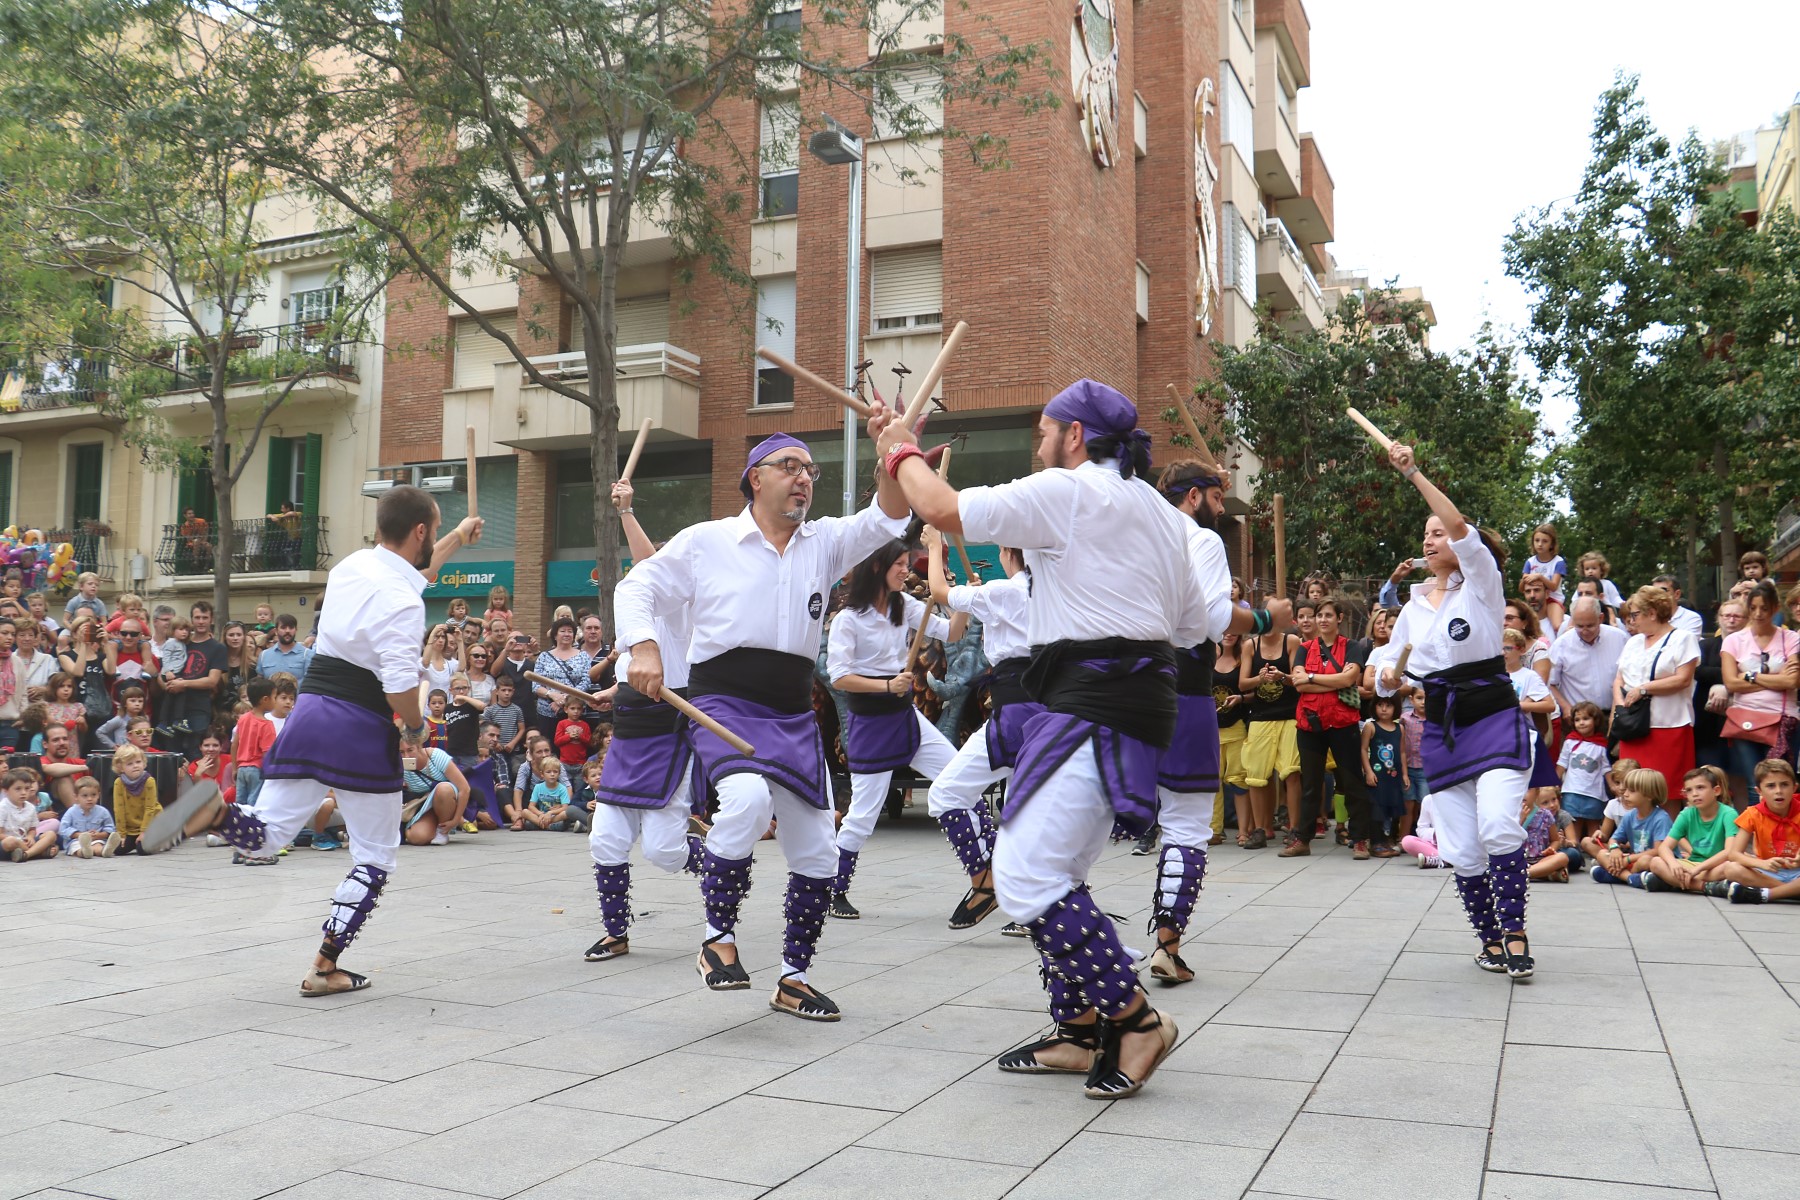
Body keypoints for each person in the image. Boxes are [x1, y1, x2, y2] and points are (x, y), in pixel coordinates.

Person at [877, 379, 1227, 1099]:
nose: (1037, 443)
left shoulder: (1070, 491)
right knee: (1058, 868)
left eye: (1043, 430)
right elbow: (1196, 626)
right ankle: (1078, 1026)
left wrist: (899, 450)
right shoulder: (1161, 514)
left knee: (1025, 874)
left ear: (1074, 435)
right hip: (1133, 697)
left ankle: (1134, 1021)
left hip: (1094, 699)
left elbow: (940, 508)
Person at [618, 417, 911, 1023]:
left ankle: (794, 978)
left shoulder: (824, 542)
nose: (804, 479)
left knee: (819, 850)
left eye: (810, 470)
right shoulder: (707, 541)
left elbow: (886, 517)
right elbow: (638, 586)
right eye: (790, 467)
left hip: (793, 710)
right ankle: (717, 939)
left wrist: (893, 453)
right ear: (755, 478)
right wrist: (643, 646)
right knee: (748, 802)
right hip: (723, 701)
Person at [144, 485, 481, 997]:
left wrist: (456, 535)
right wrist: (415, 726)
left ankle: (216, 813)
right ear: (419, 532)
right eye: (434, 529)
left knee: (268, 835)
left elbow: (417, 571)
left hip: (311, 712)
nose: (435, 538)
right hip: (360, 726)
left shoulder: (350, 566)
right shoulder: (403, 603)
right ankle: (324, 967)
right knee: (375, 855)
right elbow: (398, 688)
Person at [1370, 439, 1538, 979]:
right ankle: (1489, 940)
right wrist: (1389, 678)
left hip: (1493, 719)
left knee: (1498, 826)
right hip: (1442, 731)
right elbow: (1386, 668)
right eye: (1426, 533)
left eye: (1437, 532)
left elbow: (1460, 524)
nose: (1431, 537)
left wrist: (1413, 472)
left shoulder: (1482, 585)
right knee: (1463, 850)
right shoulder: (1413, 607)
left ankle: (1515, 931)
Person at [1146, 458, 1276, 979]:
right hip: (1181, 686)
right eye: (1219, 498)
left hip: (1115, 687)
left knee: (1088, 819)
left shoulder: (1134, 535)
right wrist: (1266, 618)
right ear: (1194, 496)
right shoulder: (1200, 540)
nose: (1223, 510)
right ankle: (1167, 945)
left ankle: (1076, 947)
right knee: (1186, 822)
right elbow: (1217, 616)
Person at [581, 477, 702, 963]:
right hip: (628, 739)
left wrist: (626, 512)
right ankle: (616, 933)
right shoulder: (637, 612)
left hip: (668, 738)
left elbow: (651, 565)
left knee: (664, 853)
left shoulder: (679, 609)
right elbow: (633, 675)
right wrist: (609, 693)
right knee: (605, 840)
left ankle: (722, 865)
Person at [825, 537, 967, 920]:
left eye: (907, 563)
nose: (906, 571)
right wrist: (887, 685)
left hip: (905, 715)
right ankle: (834, 889)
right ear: (877, 567)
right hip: (870, 721)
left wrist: (964, 602)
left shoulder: (904, 605)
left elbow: (952, 633)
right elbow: (839, 677)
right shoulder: (848, 619)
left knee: (959, 776)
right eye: (900, 564)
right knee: (863, 815)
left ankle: (985, 872)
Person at [924, 533, 1034, 930]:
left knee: (946, 793)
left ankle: (986, 880)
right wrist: (978, 597)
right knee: (1029, 814)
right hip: (1049, 712)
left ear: (1009, 553)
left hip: (1016, 714)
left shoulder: (1007, 590)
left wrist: (934, 546)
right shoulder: (1054, 593)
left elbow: (939, 591)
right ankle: (1031, 904)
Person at [1284, 596, 1375, 858]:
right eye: (1319, 615)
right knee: (1310, 783)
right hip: (1310, 722)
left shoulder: (1351, 646)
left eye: (1328, 615)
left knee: (1352, 780)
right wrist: (1333, 681)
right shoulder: (1305, 648)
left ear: (1339, 618)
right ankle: (1302, 839)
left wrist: (1313, 677)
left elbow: (1349, 679)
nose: (1323, 620)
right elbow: (1298, 684)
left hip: (1342, 722)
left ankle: (1360, 839)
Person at [1612, 584, 1700, 805]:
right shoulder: (1633, 642)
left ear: (1652, 613)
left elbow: (1683, 679)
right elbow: (1619, 679)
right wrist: (1620, 705)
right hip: (1632, 725)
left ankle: (1667, 829)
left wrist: (1644, 689)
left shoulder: (1683, 638)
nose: (1631, 621)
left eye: (1635, 615)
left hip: (1668, 725)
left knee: (1666, 792)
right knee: (1632, 790)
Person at [1720, 581, 1797, 804]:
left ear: (1775, 608)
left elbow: (1792, 680)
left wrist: (1750, 676)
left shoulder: (1790, 638)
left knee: (1782, 782)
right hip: (1745, 719)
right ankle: (1761, 827)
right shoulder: (1734, 640)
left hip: (1783, 719)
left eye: (1764, 608)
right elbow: (1731, 683)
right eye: (1753, 608)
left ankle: (1785, 826)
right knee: (1755, 784)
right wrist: (1776, 680)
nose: (1758, 614)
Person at [1242, 606, 1302, 852]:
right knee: (1256, 775)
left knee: (1292, 772)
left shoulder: (1292, 641)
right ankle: (1260, 829)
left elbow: (1298, 679)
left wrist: (1281, 677)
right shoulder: (1250, 645)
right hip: (1260, 717)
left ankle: (1295, 828)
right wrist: (1260, 679)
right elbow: (1242, 683)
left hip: (1289, 716)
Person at [1643, 767, 1738, 893]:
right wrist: (1673, 864)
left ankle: (1672, 882)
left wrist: (1697, 870)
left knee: (1731, 867)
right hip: (1693, 864)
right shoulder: (1686, 814)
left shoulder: (1729, 814)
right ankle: (1706, 887)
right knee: (1656, 862)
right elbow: (1664, 847)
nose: (1694, 794)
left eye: (1700, 788)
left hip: (1716, 865)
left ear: (1716, 791)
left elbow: (1729, 851)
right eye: (1689, 790)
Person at [1719, 759, 1800, 903]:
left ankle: (1765, 894)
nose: (1778, 791)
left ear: (1794, 788)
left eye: (1784, 784)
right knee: (1731, 869)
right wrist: (1762, 864)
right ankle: (1790, 892)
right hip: (1769, 873)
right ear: (1759, 791)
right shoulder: (1752, 814)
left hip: (1797, 872)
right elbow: (1734, 854)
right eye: (1771, 786)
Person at [1549, 597, 1629, 727]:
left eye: (1590, 626)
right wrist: (1566, 707)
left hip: (1616, 715)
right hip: (1579, 721)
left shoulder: (1620, 639)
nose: (1585, 631)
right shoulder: (1561, 645)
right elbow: (1549, 683)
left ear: (1601, 618)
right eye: (1579, 626)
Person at [1588, 767, 1673, 885]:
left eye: (1632, 791)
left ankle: (1616, 875)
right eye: (1626, 789)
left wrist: (1628, 859)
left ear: (1649, 795)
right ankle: (1631, 878)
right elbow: (1614, 839)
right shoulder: (1630, 816)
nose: (1625, 794)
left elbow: (1658, 851)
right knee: (1602, 854)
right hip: (1634, 859)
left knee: (1645, 860)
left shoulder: (1661, 818)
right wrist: (1614, 849)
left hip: (1654, 862)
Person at [399, 731, 472, 844]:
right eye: (401, 752)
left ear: (419, 746)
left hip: (447, 800)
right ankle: (429, 828)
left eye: (410, 750)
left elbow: (465, 789)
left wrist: (456, 820)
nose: (406, 756)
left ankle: (443, 831)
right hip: (424, 805)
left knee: (443, 789)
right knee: (417, 838)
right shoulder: (399, 764)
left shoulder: (436, 756)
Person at [1556, 702, 1612, 843]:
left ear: (1596, 720)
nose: (1581, 723)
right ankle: (1574, 851)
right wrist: (1554, 783)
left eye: (1586, 719)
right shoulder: (1570, 742)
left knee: (1594, 827)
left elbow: (1606, 768)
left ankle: (1595, 851)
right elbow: (1562, 763)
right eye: (1577, 719)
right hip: (1572, 790)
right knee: (1573, 825)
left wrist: (1613, 786)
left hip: (1594, 793)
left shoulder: (1601, 745)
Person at [529, 617, 590, 741]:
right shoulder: (544, 656)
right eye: (562, 631)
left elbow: (586, 681)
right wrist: (552, 695)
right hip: (547, 712)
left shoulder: (583, 656)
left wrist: (564, 699)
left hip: (575, 712)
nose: (566, 634)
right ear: (555, 635)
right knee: (548, 746)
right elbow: (535, 685)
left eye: (570, 631)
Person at [1363, 694, 1408, 850]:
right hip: (1377, 776)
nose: (1384, 709)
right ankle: (1376, 840)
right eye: (1380, 705)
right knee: (1377, 807)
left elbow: (1402, 752)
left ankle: (1389, 838)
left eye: (1388, 705)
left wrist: (1405, 774)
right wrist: (1368, 772)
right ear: (1374, 706)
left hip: (1394, 777)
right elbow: (1363, 750)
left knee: (1393, 806)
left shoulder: (1400, 728)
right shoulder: (1370, 726)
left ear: (1396, 708)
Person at [1, 767, 58, 862]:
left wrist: (30, 837)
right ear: (6, 791)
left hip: (25, 841)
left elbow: (32, 829)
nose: (23, 792)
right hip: (7, 844)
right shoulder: (3, 807)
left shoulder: (30, 807)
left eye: (27, 788)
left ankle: (27, 854)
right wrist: (18, 841)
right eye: (18, 789)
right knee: (10, 841)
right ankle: (38, 852)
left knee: (51, 834)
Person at [58, 776, 117, 858]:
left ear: (98, 795)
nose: (89, 799)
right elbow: (63, 829)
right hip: (76, 840)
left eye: (93, 795)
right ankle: (84, 852)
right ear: (76, 797)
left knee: (98, 845)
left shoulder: (103, 811)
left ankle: (104, 851)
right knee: (76, 848)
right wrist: (80, 835)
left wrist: (100, 835)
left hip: (96, 839)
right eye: (85, 796)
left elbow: (110, 827)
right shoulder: (71, 812)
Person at [1522, 523, 1568, 629]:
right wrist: (1525, 580)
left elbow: (1554, 586)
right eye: (1537, 540)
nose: (1540, 544)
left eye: (1545, 541)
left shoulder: (1558, 562)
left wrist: (1540, 577)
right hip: (1534, 598)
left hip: (1553, 599)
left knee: (1557, 626)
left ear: (1552, 544)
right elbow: (1523, 585)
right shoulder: (1530, 562)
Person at [258, 614, 314, 685]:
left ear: (296, 630)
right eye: (283, 627)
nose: (287, 631)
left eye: (291, 627)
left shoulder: (307, 654)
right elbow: (260, 683)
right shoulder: (264, 655)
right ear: (276, 631)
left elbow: (311, 683)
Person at [1652, 574, 1705, 640]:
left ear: (1677, 594)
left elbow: (1685, 643)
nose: (1657, 596)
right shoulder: (1649, 617)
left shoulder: (1691, 618)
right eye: (1654, 592)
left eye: (1663, 591)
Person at [553, 694, 591, 769]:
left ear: (582, 710)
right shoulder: (562, 724)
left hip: (580, 762)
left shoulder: (585, 725)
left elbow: (589, 743)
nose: (576, 711)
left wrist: (580, 737)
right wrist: (569, 736)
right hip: (564, 762)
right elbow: (557, 742)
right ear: (566, 709)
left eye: (578, 709)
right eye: (572, 708)